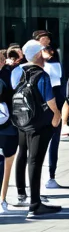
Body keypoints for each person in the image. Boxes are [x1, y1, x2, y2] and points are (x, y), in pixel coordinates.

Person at [11, 40, 62, 217]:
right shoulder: (42, 75)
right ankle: (35, 204)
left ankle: (21, 194)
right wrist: (57, 116)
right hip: (40, 123)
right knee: (35, 160)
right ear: (39, 54)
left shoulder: (19, 71)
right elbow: (50, 100)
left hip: (22, 120)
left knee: (23, 154)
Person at [36, 35, 65, 191]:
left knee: (52, 141)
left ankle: (49, 176)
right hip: (45, 108)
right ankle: (46, 178)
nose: (46, 48)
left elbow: (54, 88)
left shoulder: (53, 64)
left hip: (50, 106)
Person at [1, 51, 21, 214]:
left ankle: (2, 199)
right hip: (7, 125)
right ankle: (2, 200)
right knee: (6, 163)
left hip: (8, 125)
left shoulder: (10, 74)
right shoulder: (9, 75)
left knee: (7, 161)